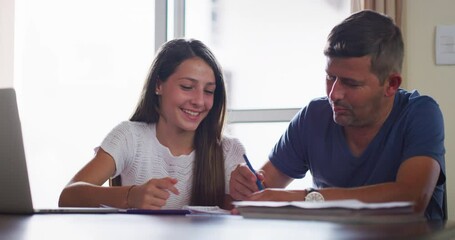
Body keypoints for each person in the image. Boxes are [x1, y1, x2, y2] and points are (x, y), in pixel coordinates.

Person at [229, 10, 446, 220]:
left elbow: (411, 198)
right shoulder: (314, 116)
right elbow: (265, 189)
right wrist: (248, 185)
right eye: (330, 77)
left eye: (351, 83)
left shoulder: (420, 113)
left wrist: (307, 198)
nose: (334, 94)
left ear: (391, 84)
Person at [59, 38, 245, 210]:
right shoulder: (130, 138)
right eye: (187, 87)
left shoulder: (228, 150)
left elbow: (239, 218)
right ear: (158, 85)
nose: (199, 101)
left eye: (209, 91)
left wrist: (245, 197)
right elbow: (68, 196)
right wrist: (131, 196)